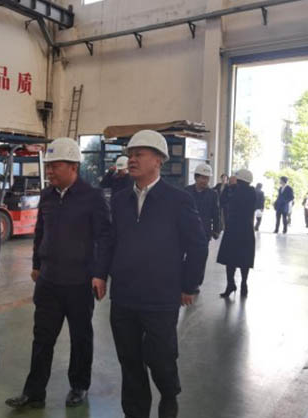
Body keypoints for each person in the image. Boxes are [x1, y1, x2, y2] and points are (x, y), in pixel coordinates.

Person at [99, 130, 208, 418]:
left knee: (160, 357)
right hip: (124, 296)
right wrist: (100, 273)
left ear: (158, 160)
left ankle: (169, 393)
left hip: (161, 296)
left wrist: (189, 285)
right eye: (130, 155)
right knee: (130, 360)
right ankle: (135, 412)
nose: (132, 159)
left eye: (139, 154)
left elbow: (197, 245)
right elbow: (110, 240)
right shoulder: (120, 200)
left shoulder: (178, 200)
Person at [5, 137, 111, 410]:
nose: (49, 171)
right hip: (49, 280)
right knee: (42, 337)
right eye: (48, 165)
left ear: (73, 166)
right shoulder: (47, 195)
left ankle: (79, 386)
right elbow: (41, 230)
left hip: (80, 281)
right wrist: (36, 264)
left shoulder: (92, 197)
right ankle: (34, 392)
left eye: (55, 166)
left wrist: (100, 274)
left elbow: (104, 237)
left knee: (80, 337)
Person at [217, 169, 256, 298]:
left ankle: (230, 284)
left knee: (230, 258)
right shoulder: (252, 192)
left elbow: (222, 201)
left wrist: (229, 186)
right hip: (246, 229)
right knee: (245, 258)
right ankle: (244, 284)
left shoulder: (233, 190)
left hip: (232, 228)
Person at [185, 163, 221, 285]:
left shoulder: (213, 194)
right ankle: (185, 280)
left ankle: (196, 283)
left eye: (207, 178)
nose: (205, 181)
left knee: (200, 258)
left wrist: (216, 230)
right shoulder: (186, 191)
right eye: (203, 178)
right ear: (196, 177)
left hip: (204, 232)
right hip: (187, 230)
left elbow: (216, 213)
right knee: (187, 257)